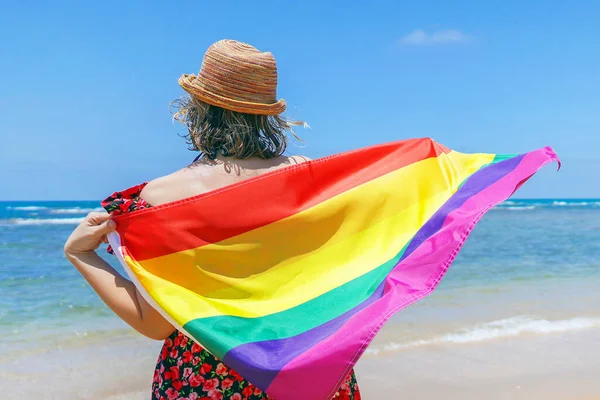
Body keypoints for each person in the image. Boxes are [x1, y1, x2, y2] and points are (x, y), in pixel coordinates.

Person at [64, 39, 361, 400]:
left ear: (198, 107)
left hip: (207, 380)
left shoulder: (162, 198)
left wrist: (81, 255)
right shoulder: (312, 180)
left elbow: (155, 323)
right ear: (268, 114)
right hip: (306, 371)